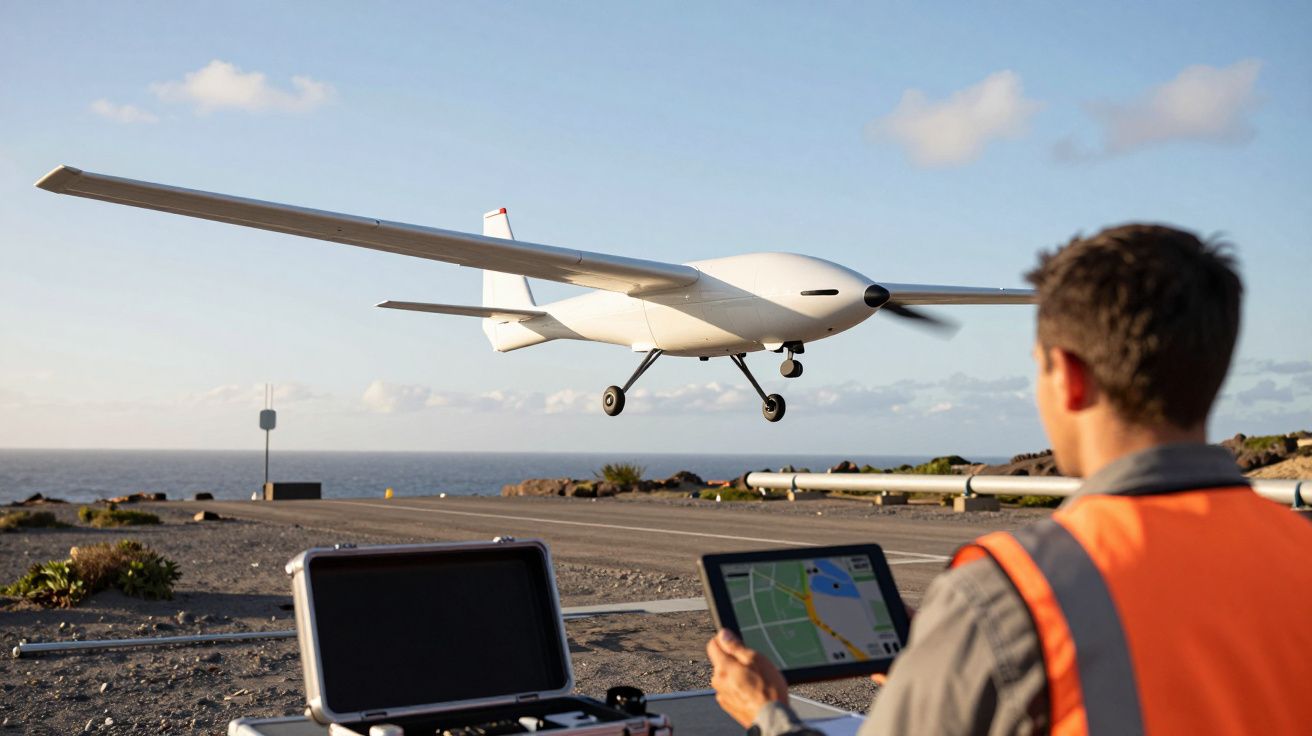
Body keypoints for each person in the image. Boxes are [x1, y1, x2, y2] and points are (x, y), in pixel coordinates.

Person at [706, 224, 1312, 735]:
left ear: (1068, 377)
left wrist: (767, 712)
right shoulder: (1299, 549)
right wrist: (944, 665)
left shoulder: (1009, 591)